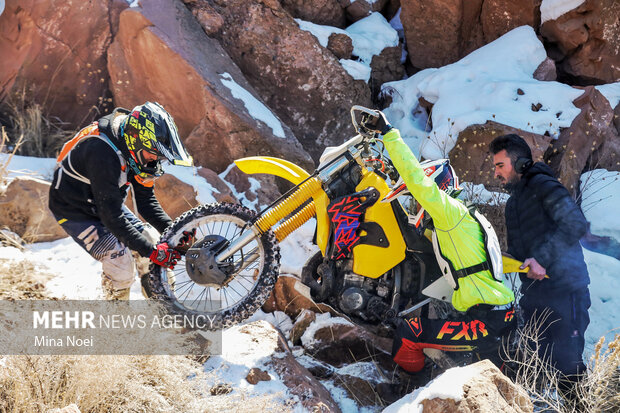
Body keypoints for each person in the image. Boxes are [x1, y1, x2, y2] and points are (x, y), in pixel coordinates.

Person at [363, 111, 516, 373]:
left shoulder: (450, 213)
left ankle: (412, 394)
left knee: (408, 335)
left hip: (487, 321)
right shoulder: (464, 217)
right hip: (497, 316)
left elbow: (416, 178)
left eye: (418, 199)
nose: (417, 203)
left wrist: (389, 134)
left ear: (437, 186)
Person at [49, 102, 195, 299]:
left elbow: (146, 202)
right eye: (153, 154)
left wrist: (175, 232)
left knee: (153, 240)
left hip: (105, 201)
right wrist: (152, 252)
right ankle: (117, 326)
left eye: (160, 158)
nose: (155, 161)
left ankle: (168, 311)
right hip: (75, 209)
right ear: (136, 139)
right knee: (120, 264)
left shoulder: (133, 148)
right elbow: (111, 218)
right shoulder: (102, 152)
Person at [489, 133, 590, 396]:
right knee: (534, 367)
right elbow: (522, 253)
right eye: (495, 167)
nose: (496, 173)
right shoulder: (513, 204)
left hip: (566, 293)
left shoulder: (544, 185)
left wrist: (542, 259)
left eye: (500, 165)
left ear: (520, 163)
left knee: (569, 371)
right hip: (535, 298)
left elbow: (576, 223)